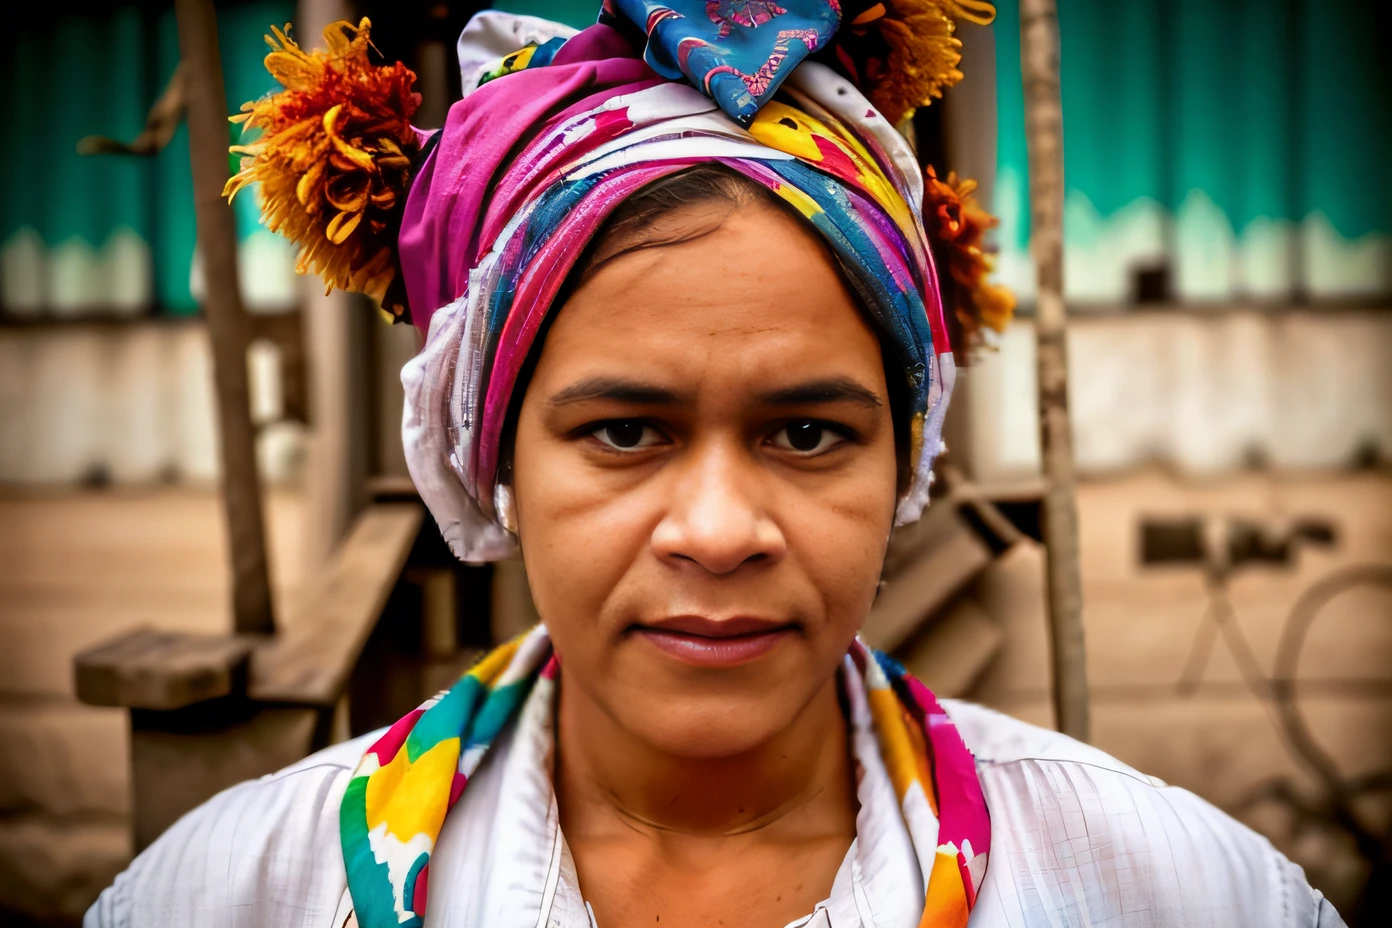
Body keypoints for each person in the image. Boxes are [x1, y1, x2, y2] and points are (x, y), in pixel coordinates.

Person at [88, 3, 1344, 926]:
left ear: (909, 462)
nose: (719, 527)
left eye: (808, 432)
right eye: (624, 431)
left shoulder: (1174, 891)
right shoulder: (236, 893)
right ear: (493, 462)